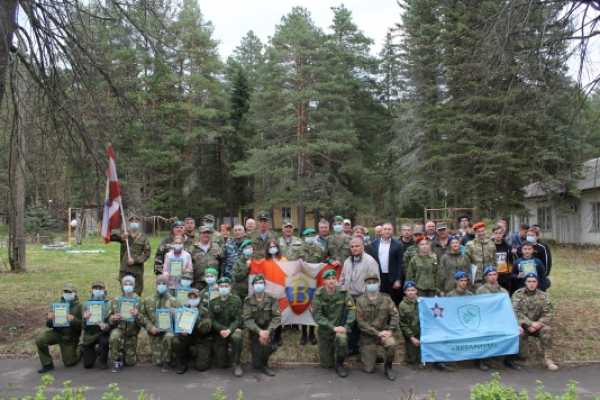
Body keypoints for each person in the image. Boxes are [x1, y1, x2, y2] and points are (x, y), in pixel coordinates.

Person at [312, 269, 356, 378]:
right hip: (325, 331)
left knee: (342, 339)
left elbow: (352, 309)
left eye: (333, 278)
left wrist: (346, 326)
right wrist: (332, 327)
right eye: (328, 279)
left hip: (340, 329)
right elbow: (317, 316)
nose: (331, 281)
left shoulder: (343, 292)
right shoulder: (318, 295)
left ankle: (340, 364)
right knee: (326, 365)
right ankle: (332, 356)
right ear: (324, 281)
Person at [355, 274, 399, 381]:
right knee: (369, 369)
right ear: (365, 285)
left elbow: (395, 314)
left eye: (374, 282)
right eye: (369, 283)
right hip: (368, 336)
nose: (372, 285)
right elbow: (360, 322)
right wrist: (376, 333)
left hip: (384, 333)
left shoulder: (386, 299)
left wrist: (390, 331)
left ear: (378, 284)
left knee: (391, 343)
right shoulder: (360, 301)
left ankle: (388, 367)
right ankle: (370, 353)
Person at [512, 273, 558, 371]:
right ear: (525, 282)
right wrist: (529, 324)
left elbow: (548, 313)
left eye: (534, 281)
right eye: (529, 281)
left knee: (547, 330)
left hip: (538, 326)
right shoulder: (517, 294)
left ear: (537, 283)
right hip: (523, 325)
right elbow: (515, 312)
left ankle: (548, 360)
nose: (531, 284)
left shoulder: (543, 296)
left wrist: (538, 324)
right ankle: (521, 357)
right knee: (517, 332)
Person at [36, 283, 83, 373]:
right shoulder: (57, 305)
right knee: (40, 340)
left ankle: (80, 350)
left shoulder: (79, 307)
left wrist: (73, 320)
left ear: (75, 293)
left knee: (69, 363)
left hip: (70, 337)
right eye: (65, 291)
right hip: (56, 333)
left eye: (69, 292)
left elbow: (82, 326)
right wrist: (49, 319)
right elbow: (49, 324)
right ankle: (47, 364)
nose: (67, 293)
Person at [242, 274, 281, 376]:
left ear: (264, 285)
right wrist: (259, 332)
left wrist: (268, 331)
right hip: (255, 331)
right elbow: (247, 319)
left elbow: (277, 317)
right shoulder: (248, 300)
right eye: (256, 283)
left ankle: (266, 364)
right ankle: (260, 360)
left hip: (269, 330)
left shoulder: (272, 299)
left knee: (268, 345)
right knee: (256, 365)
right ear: (253, 285)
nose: (259, 285)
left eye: (261, 283)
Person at [475, 267, 511, 371]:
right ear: (486, 277)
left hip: (499, 320)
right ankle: (482, 360)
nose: (492, 277)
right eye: (489, 275)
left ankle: (503, 360)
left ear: (497, 276)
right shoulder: (480, 291)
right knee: (484, 335)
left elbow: (506, 308)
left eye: (494, 274)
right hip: (484, 320)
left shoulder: (503, 291)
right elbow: (477, 306)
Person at [108, 275, 145, 372]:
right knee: (114, 336)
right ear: (122, 285)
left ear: (134, 285)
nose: (128, 286)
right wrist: (112, 318)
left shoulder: (139, 300)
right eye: (125, 284)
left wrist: (137, 315)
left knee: (130, 362)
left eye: (130, 284)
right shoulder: (116, 300)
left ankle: (123, 352)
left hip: (131, 334)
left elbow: (144, 322)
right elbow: (108, 318)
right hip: (119, 329)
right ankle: (116, 360)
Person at [141, 275, 177, 371]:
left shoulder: (174, 300)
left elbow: (180, 319)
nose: (161, 285)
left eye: (164, 283)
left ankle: (167, 361)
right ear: (155, 285)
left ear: (168, 285)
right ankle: (163, 358)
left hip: (169, 332)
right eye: (159, 283)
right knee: (157, 362)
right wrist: (150, 327)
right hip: (155, 332)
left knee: (169, 337)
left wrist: (174, 313)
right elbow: (142, 316)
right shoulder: (148, 300)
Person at [172, 288, 212, 374]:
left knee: (201, 367)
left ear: (199, 298)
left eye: (195, 297)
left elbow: (206, 330)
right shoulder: (184, 309)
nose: (193, 300)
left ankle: (195, 352)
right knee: (176, 341)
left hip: (200, 339)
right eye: (191, 298)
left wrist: (195, 321)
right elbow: (178, 325)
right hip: (187, 338)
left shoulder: (204, 311)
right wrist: (175, 316)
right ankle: (182, 362)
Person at [209, 277, 243, 377]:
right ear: (218, 288)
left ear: (230, 287)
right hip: (220, 332)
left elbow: (238, 319)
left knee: (237, 337)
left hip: (232, 329)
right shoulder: (213, 302)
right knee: (221, 364)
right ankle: (226, 351)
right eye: (221, 286)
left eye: (226, 286)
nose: (223, 288)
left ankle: (237, 363)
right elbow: (212, 320)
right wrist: (221, 329)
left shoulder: (236, 300)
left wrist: (230, 330)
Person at [110, 216, 151, 294]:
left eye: (136, 222)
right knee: (125, 291)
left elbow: (147, 253)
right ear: (129, 223)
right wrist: (121, 237)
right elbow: (109, 237)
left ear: (139, 224)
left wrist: (135, 260)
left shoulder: (143, 238)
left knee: (137, 291)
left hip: (137, 269)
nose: (134, 223)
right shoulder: (124, 234)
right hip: (125, 268)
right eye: (132, 222)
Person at [368, 222, 403, 304]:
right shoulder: (374, 244)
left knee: (393, 301)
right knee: (379, 300)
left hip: (392, 278)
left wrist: (398, 279)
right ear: (381, 231)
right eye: (385, 229)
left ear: (392, 231)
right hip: (379, 276)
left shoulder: (398, 245)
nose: (387, 231)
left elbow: (400, 264)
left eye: (389, 229)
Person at [81, 281, 111, 369]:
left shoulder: (109, 304)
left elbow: (111, 323)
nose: (97, 290)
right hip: (89, 335)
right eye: (95, 288)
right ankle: (89, 351)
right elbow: (83, 327)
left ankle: (103, 360)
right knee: (88, 365)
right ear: (91, 291)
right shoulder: (85, 305)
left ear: (104, 291)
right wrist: (85, 320)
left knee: (105, 341)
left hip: (102, 334)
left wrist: (106, 326)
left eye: (100, 288)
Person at [299, 228, 320, 346]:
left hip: (315, 282)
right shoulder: (299, 249)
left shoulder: (318, 249)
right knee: (303, 307)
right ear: (304, 237)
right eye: (307, 235)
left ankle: (312, 333)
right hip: (302, 282)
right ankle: (303, 333)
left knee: (313, 308)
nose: (310, 237)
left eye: (312, 235)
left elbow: (322, 264)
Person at [190, 225, 223, 290]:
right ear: (199, 234)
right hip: (198, 282)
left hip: (214, 281)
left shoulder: (216, 247)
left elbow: (222, 263)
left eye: (208, 233)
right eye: (203, 233)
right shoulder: (192, 248)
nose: (206, 235)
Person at [465, 222, 497, 286]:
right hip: (476, 278)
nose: (481, 233)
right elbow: (466, 262)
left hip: (489, 277)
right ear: (475, 232)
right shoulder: (470, 245)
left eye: (482, 231)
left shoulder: (491, 244)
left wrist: (495, 274)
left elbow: (494, 260)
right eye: (479, 231)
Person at [398, 281, 420, 368]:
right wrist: (411, 337)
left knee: (422, 357)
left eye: (413, 290)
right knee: (412, 359)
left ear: (416, 291)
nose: (411, 292)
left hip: (421, 332)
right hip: (410, 333)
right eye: (408, 290)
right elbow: (402, 323)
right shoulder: (402, 305)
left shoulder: (422, 302)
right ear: (405, 292)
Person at [491, 224, 514, 293]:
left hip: (505, 276)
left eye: (500, 233)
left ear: (503, 234)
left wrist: (509, 273)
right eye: (496, 233)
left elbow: (510, 261)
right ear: (493, 234)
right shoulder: (490, 246)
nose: (498, 235)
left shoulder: (508, 247)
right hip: (493, 276)